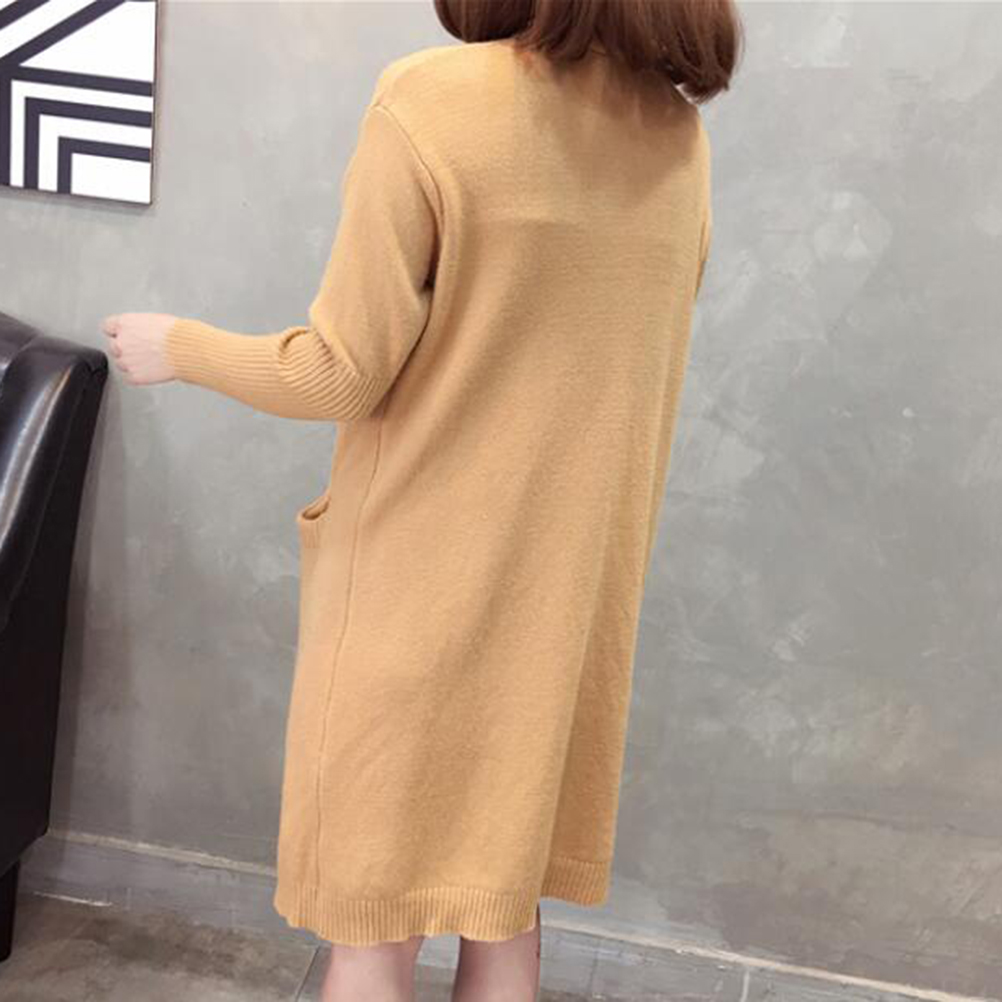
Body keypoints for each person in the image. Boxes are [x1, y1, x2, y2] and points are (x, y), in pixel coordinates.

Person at [100, 1, 742, 999]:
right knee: (503, 910)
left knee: (373, 922)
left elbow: (338, 373)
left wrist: (179, 346)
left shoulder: (432, 102)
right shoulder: (675, 134)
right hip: (564, 617)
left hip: (414, 592)